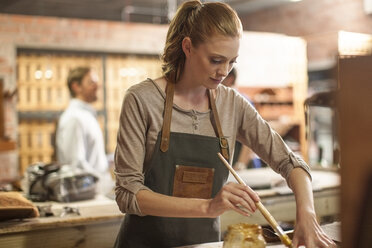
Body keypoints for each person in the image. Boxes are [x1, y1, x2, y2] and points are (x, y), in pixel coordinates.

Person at [113, 1, 336, 247]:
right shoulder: (142, 99)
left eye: (232, 62)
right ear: (187, 47)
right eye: (216, 60)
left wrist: (307, 214)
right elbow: (128, 193)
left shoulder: (233, 105)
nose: (224, 72)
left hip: (204, 244)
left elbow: (292, 163)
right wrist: (208, 206)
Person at [56, 66, 114, 195]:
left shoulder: (86, 116)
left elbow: (91, 158)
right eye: (91, 82)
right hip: (87, 196)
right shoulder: (74, 118)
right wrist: (103, 182)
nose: (97, 86)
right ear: (76, 86)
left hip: (97, 193)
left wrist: (110, 160)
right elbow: (76, 165)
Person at [221, 68, 263, 170]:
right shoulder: (220, 99)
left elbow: (251, 135)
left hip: (244, 163)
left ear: (230, 79)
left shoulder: (241, 101)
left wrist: (241, 163)